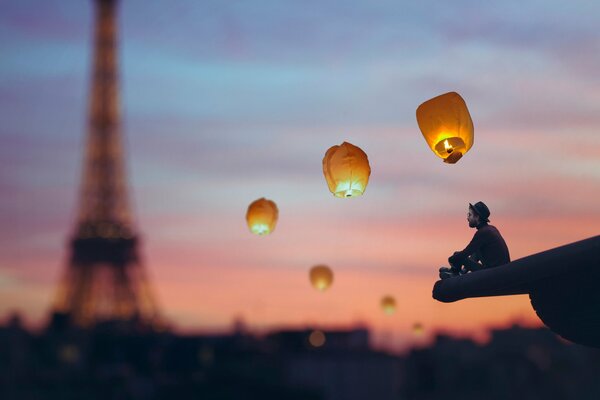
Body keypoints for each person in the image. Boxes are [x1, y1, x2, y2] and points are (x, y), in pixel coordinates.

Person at [439, 201, 510, 279]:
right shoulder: (490, 229)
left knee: (457, 255)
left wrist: (451, 259)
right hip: (501, 271)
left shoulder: (483, 232)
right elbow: (474, 252)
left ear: (477, 217)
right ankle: (460, 272)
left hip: (494, 274)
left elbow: (466, 253)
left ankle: (455, 272)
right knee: (477, 249)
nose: (467, 218)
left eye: (470, 215)